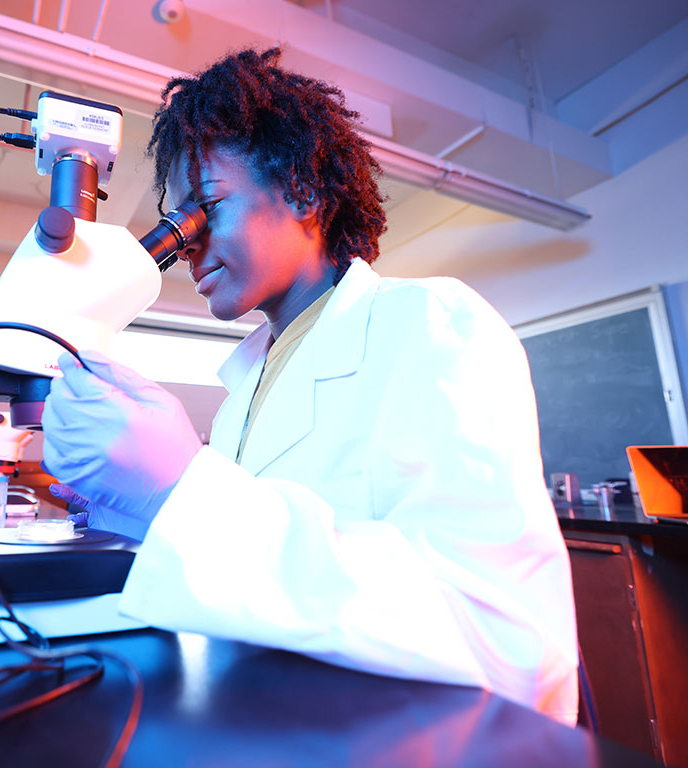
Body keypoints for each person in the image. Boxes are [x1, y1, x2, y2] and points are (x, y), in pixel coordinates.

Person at [41, 48, 578, 725]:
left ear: (301, 189)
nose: (188, 250)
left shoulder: (429, 323)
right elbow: (253, 560)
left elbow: (497, 636)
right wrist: (138, 510)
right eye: (179, 230)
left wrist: (182, 493)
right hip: (275, 719)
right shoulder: (248, 383)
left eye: (203, 210)